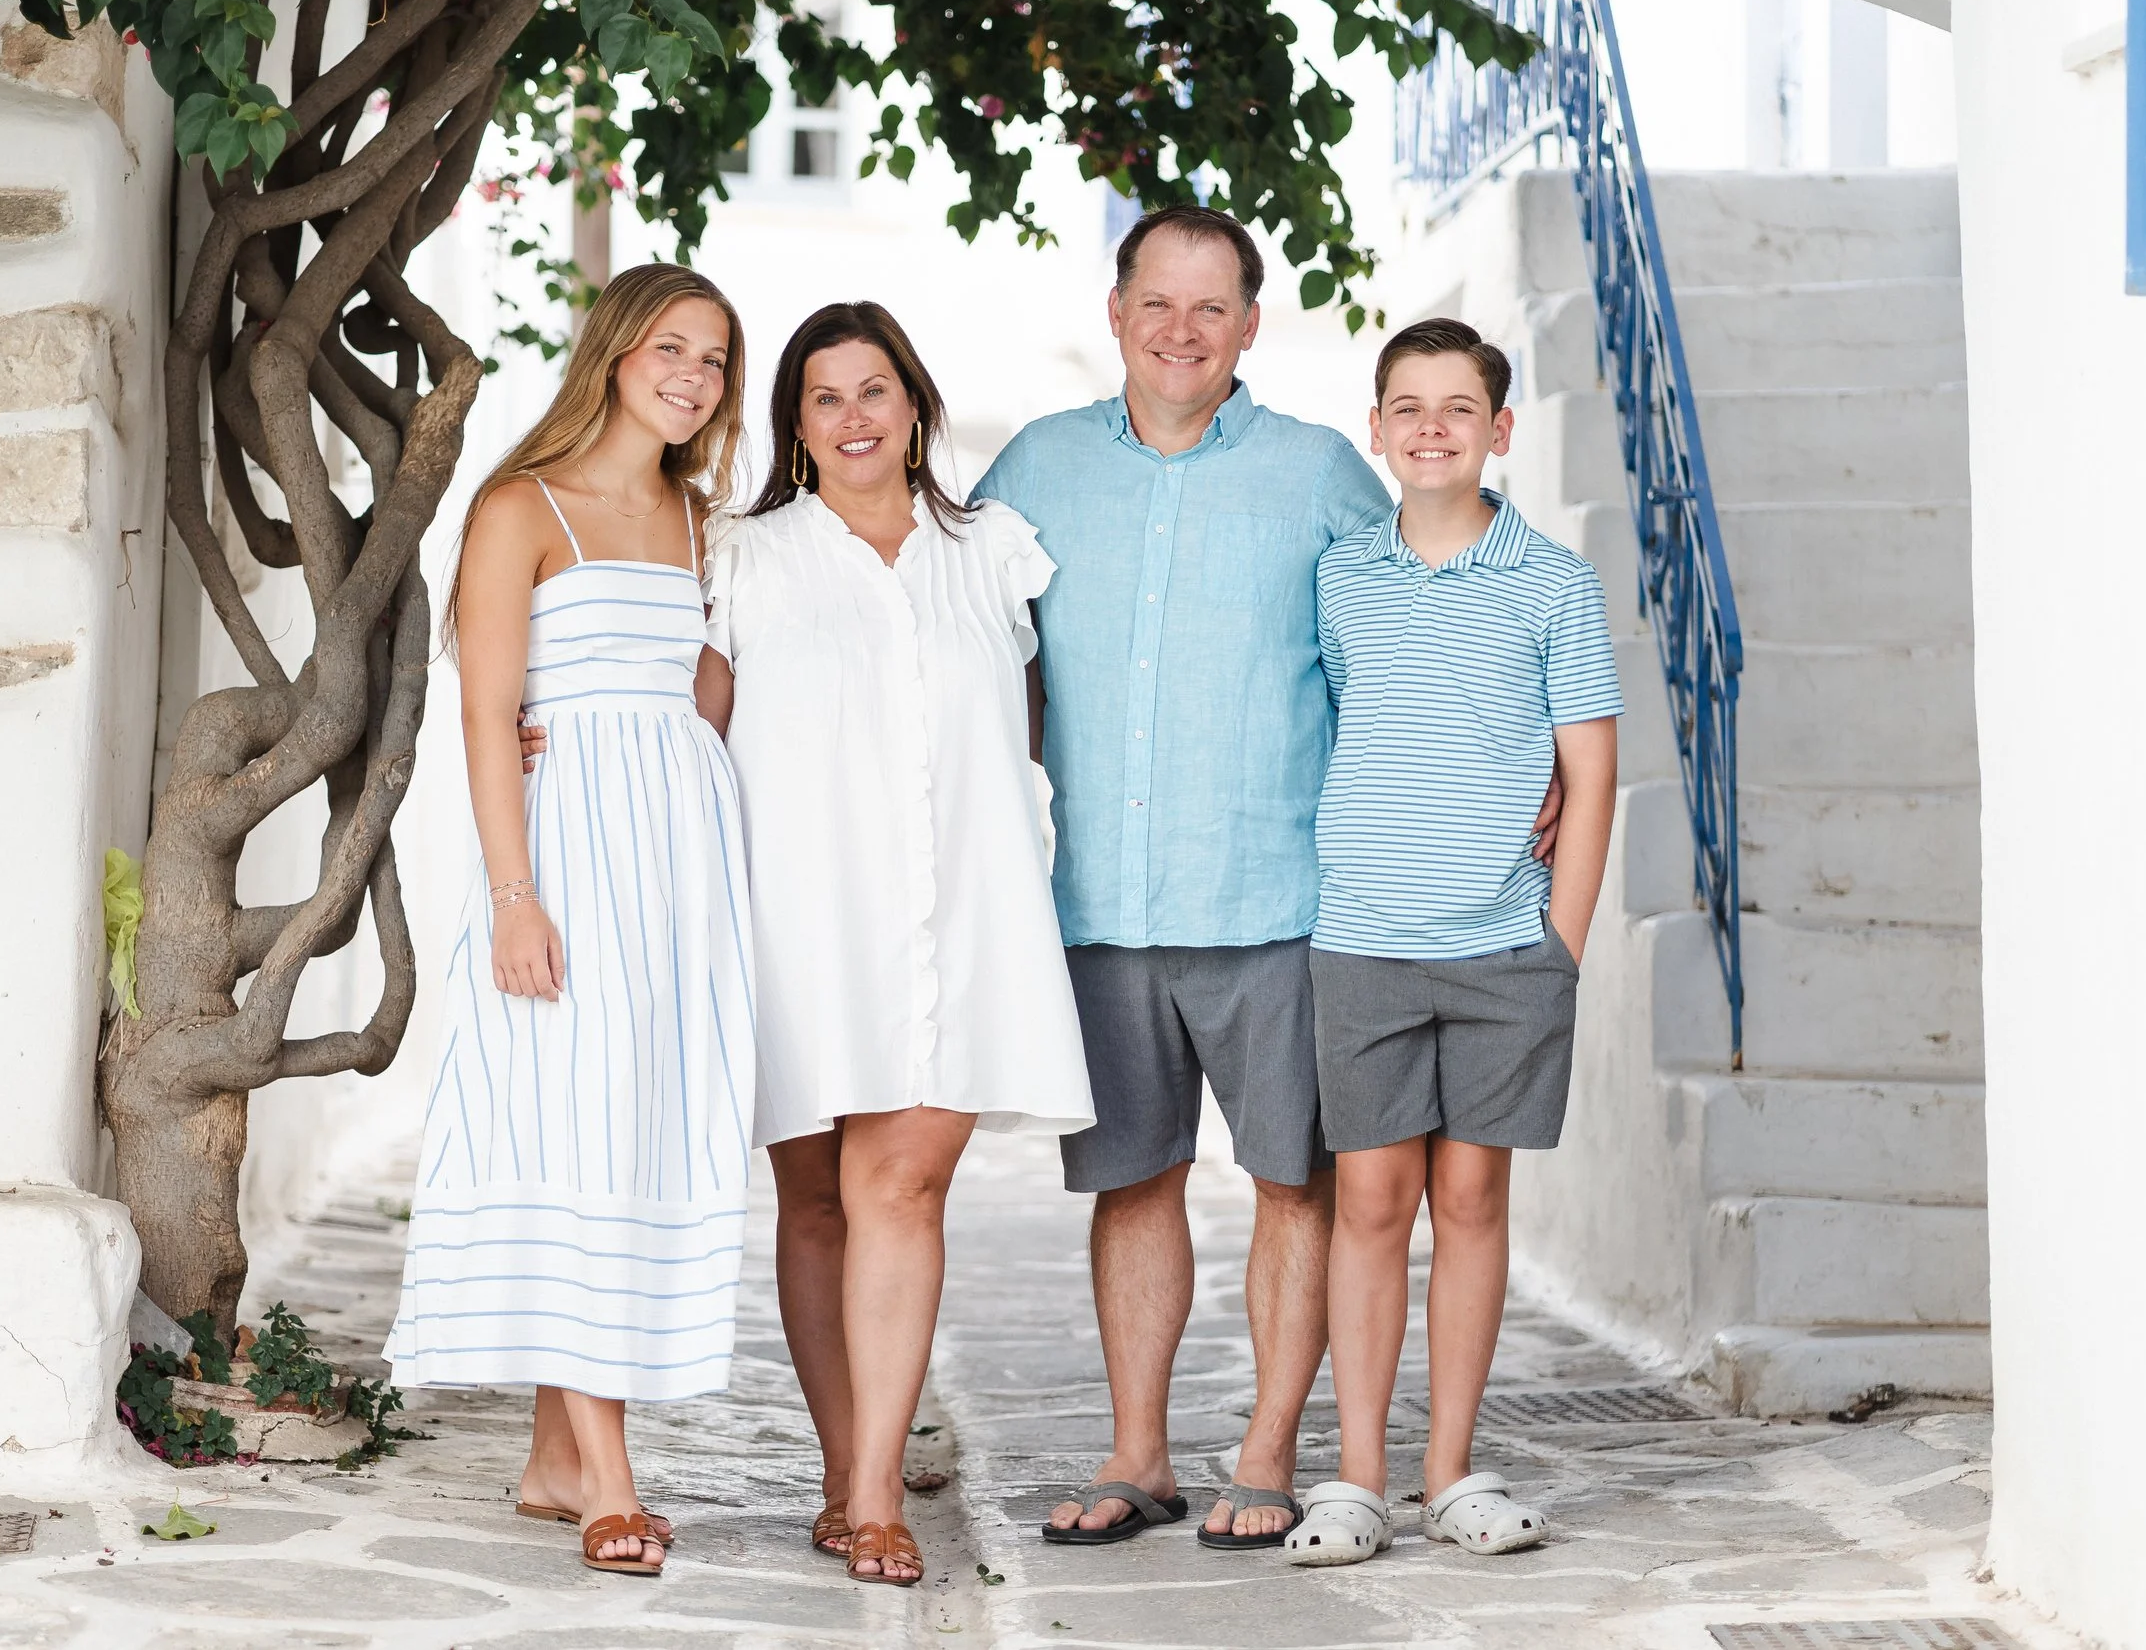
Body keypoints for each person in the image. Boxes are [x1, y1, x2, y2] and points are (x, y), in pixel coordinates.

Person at [972, 205, 1397, 1550]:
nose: (1181, 332)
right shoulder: (1034, 469)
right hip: (1100, 903)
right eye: (1158, 302)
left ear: (1251, 328)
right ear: (1116, 310)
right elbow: (969, 656)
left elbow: (1398, 660)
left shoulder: (1324, 474)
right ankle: (1139, 1452)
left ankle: (1266, 1451)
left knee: (1293, 1182)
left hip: (1283, 899)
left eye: (1211, 309)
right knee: (1133, 1178)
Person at [702, 302, 1094, 1586]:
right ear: (795, 423)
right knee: (814, 1201)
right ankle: (840, 1465)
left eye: (878, 390)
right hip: (797, 922)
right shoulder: (744, 558)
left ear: (916, 405)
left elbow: (1051, 723)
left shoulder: (994, 552)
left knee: (900, 1186)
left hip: (958, 920)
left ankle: (877, 1492)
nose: (857, 416)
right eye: (827, 397)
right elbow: (686, 736)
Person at [383, 263, 757, 1579]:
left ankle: (554, 1454)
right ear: (612, 351)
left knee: (633, 1125)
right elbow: (486, 711)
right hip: (563, 864)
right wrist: (514, 893)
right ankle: (606, 1475)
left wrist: (667, 745)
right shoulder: (518, 506)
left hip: (678, 866)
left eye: (714, 360)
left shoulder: (699, 520)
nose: (692, 379)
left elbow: (708, 690)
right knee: (572, 1119)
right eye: (671, 348)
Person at [1282, 318, 1620, 1567]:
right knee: (1369, 1200)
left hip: (1501, 950)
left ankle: (1448, 1472)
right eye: (1407, 407)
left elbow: (1590, 775)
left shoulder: (1552, 584)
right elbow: (1340, 727)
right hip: (1362, 940)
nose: (1431, 427)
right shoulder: (1342, 578)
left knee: (1472, 1198)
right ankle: (1358, 1475)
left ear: (1499, 430)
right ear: (1378, 430)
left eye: (1458, 407)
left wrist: (1560, 948)